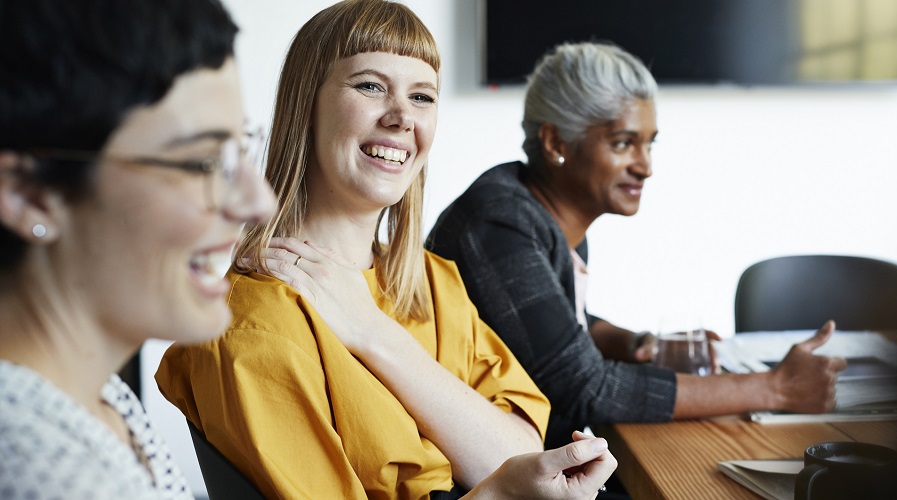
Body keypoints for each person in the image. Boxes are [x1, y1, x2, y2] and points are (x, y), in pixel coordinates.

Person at [155, 1, 615, 498]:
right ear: (305, 104)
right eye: (370, 86)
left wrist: (374, 333)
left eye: (422, 96)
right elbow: (515, 480)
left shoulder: (436, 282)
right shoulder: (251, 324)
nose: (401, 118)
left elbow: (522, 453)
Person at [426, 42, 848, 450]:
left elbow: (554, 329)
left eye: (649, 143)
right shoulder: (499, 224)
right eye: (623, 143)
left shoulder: (541, 215)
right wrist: (773, 387)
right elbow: (583, 388)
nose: (645, 166)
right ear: (556, 143)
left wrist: (638, 344)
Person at [0, 0, 277, 497]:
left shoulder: (97, 397)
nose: (260, 202)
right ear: (30, 194)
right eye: (200, 164)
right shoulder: (40, 472)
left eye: (240, 151)